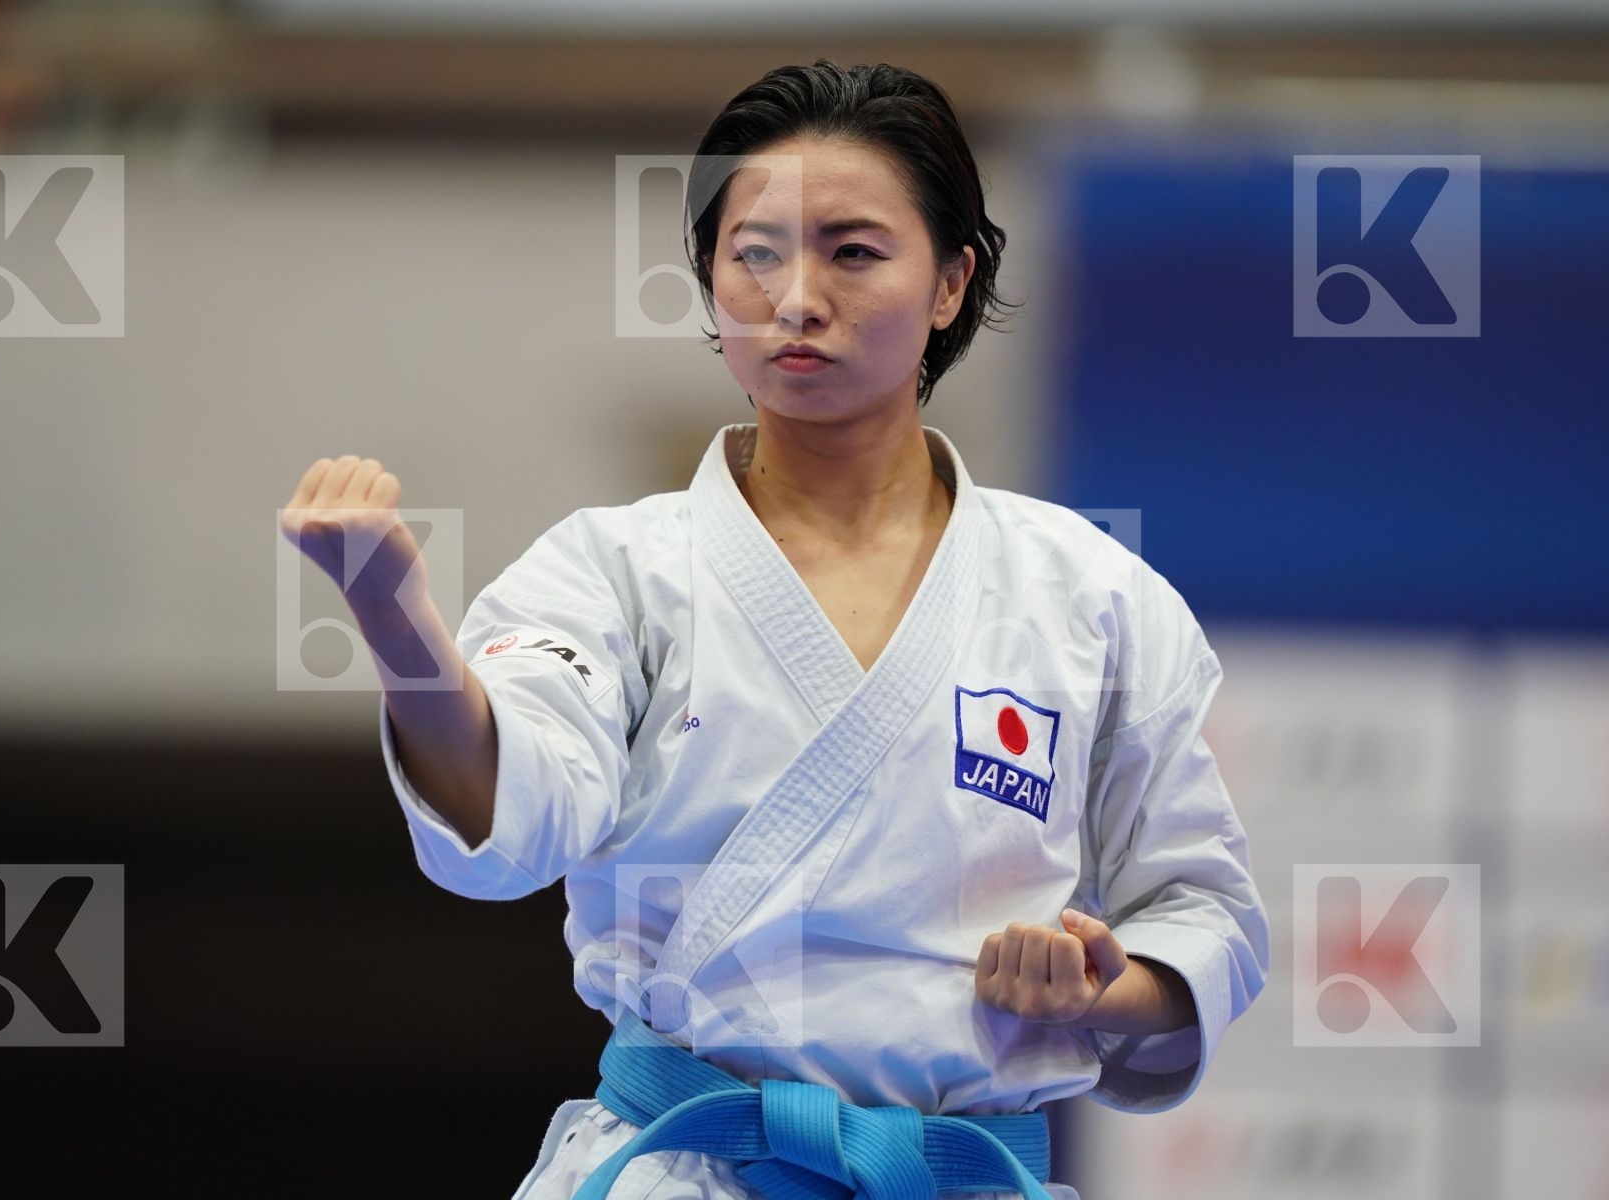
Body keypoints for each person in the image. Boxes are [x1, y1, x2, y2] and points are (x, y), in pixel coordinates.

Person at [280, 59, 1268, 1200]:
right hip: (687, 1170)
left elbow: (1204, 910)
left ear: (951, 282)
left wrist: (1103, 988)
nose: (796, 296)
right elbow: (513, 824)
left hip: (956, 1175)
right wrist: (399, 628)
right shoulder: (617, 569)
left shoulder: (1090, 595)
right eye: (754, 253)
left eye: (853, 251)